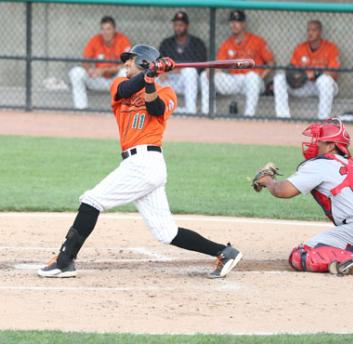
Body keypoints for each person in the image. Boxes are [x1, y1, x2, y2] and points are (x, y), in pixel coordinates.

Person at [38, 44, 243, 279]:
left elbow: (155, 108)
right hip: (136, 164)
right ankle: (224, 251)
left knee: (91, 201)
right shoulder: (119, 85)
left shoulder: (167, 93)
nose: (125, 63)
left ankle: (64, 261)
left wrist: (150, 78)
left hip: (147, 162)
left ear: (145, 63)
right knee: (167, 233)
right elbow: (125, 89)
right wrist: (150, 73)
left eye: (131, 60)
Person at [252, 118, 353, 275]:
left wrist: (267, 180)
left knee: (300, 256)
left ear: (331, 145)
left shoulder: (320, 164)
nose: (314, 144)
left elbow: (282, 191)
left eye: (319, 141)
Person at [199, 10, 275, 117]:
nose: (234, 24)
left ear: (244, 24)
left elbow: (271, 63)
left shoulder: (257, 41)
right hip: (233, 81)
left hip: (253, 81)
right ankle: (208, 112)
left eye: (237, 21)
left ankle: (249, 116)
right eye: (232, 21)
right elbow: (219, 66)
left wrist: (260, 77)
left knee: (251, 77)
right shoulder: (227, 43)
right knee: (204, 76)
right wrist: (211, 70)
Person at [273, 20, 340, 119]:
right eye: (308, 30)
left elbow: (333, 73)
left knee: (324, 80)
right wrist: (296, 76)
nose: (310, 33)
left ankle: (323, 119)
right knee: (279, 78)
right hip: (304, 85)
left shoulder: (331, 48)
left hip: (324, 87)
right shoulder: (300, 48)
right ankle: (283, 117)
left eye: (313, 30)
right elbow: (292, 69)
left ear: (320, 32)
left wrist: (315, 74)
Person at [68, 16, 131, 110]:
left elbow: (128, 64)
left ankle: (123, 110)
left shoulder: (122, 40)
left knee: (125, 72)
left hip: (115, 81)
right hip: (98, 79)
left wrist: (104, 70)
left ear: (114, 29)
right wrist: (90, 70)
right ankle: (81, 109)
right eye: (103, 29)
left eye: (108, 29)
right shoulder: (95, 40)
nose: (106, 32)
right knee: (76, 72)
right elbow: (85, 60)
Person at [158, 11, 206, 114]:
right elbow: (159, 62)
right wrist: (162, 71)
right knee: (152, 76)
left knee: (189, 72)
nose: (178, 28)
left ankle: (190, 110)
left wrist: (181, 69)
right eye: (175, 25)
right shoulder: (166, 43)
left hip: (191, 81)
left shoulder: (197, 43)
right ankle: (162, 109)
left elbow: (202, 66)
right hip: (171, 79)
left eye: (181, 25)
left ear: (187, 26)